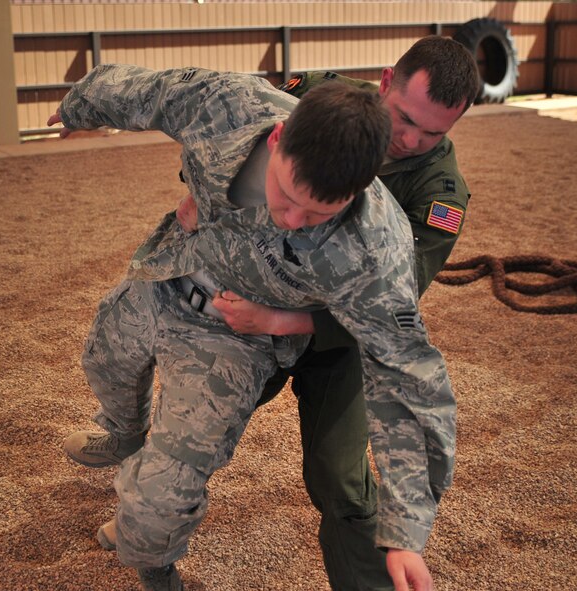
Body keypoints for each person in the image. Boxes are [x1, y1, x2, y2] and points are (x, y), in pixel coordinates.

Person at [51, 63, 455, 591]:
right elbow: (150, 91)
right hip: (165, 275)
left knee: (160, 501)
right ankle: (124, 433)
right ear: (280, 135)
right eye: (286, 196)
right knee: (102, 360)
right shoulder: (229, 105)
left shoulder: (377, 248)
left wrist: (405, 531)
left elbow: (407, 380)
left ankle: (153, 565)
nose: (291, 219)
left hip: (231, 339)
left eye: (315, 215)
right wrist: (80, 106)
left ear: (359, 190)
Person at [172, 36, 480, 591]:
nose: (412, 140)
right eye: (405, 118)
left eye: (435, 132)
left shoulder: (440, 192)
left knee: (340, 479)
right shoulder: (321, 97)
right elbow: (227, 133)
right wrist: (198, 193)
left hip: (338, 344)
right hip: (252, 312)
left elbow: (394, 307)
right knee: (191, 420)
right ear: (385, 82)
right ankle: (145, 522)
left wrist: (282, 322)